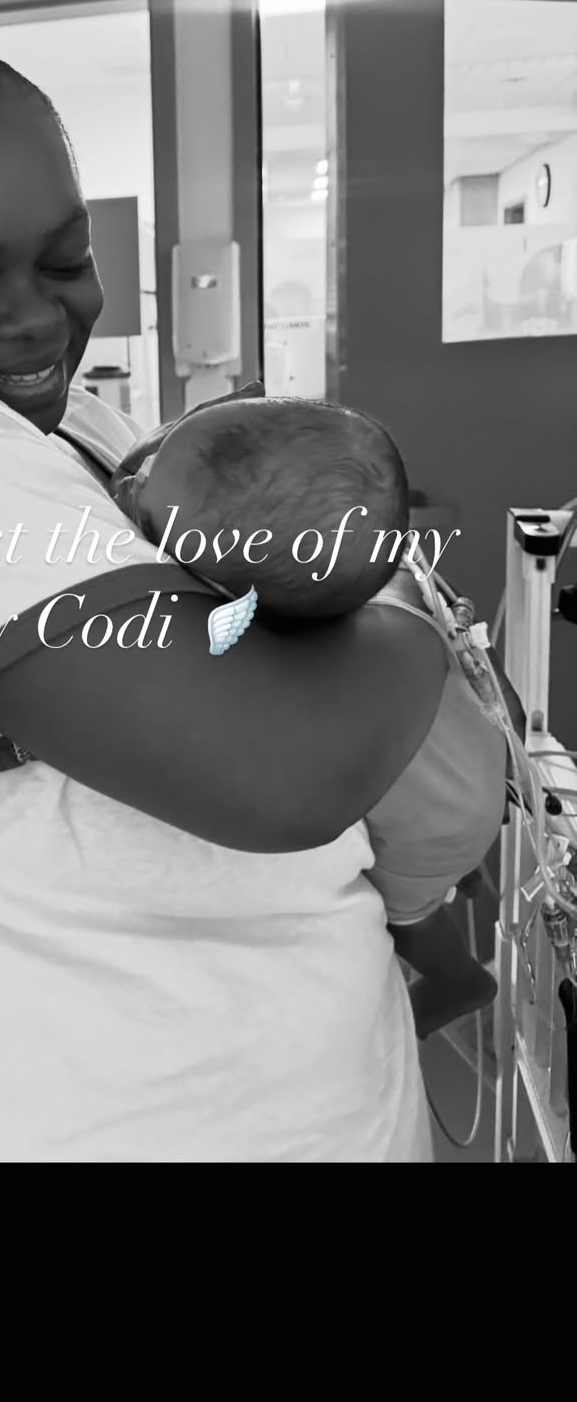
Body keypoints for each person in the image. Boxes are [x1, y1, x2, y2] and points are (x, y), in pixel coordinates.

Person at [0, 35, 451, 1163]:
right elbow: (283, 768)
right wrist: (409, 616)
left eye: (67, 257)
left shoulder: (91, 429)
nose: (35, 318)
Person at [109, 394, 506, 1042]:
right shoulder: (380, 583)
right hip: (472, 760)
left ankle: (461, 982)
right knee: (451, 844)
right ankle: (461, 871)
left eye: (146, 501)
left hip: (439, 818)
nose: (129, 484)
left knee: (411, 919)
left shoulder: (265, 641)